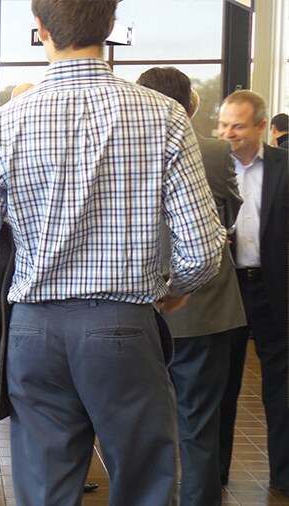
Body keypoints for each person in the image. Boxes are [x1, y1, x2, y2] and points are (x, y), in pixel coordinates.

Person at [0, 1, 225, 503]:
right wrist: (172, 290)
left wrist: (15, 274)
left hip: (33, 329)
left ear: (41, 29)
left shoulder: (4, 123)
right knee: (145, 484)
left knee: (45, 489)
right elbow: (204, 251)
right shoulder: (164, 116)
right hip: (123, 324)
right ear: (111, 26)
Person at [138, 67, 246, 506]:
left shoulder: (121, 150)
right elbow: (230, 218)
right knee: (199, 425)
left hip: (137, 306)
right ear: (190, 104)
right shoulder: (216, 152)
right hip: (205, 307)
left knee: (141, 426)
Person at [217, 90, 288, 496]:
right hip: (225, 287)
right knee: (220, 383)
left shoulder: (284, 166)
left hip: (275, 288)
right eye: (223, 124)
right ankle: (215, 472)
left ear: (262, 126)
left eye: (237, 126)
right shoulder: (210, 166)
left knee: (282, 386)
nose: (227, 133)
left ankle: (284, 475)